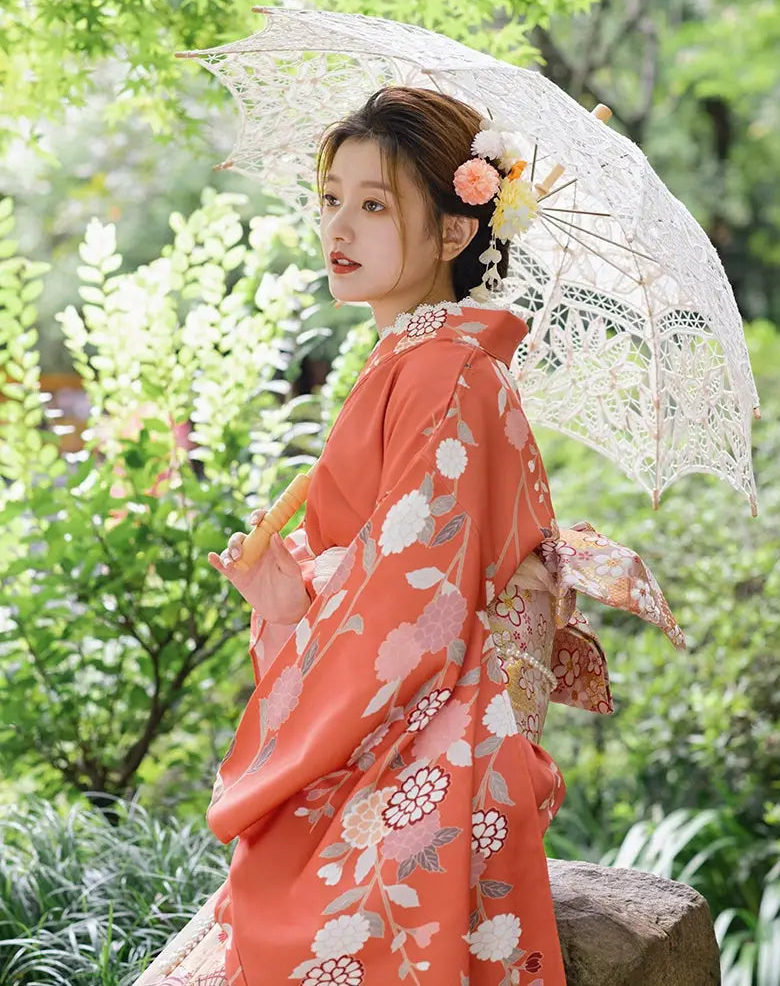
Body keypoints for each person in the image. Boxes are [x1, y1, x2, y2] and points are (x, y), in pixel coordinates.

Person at [139, 85, 578, 986]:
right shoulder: (415, 360)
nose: (339, 225)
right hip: (416, 699)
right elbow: (389, 577)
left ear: (455, 232)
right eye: (331, 197)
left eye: (374, 204)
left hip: (444, 724)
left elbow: (413, 596)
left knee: (313, 922)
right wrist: (286, 600)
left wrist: (309, 614)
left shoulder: (447, 371)